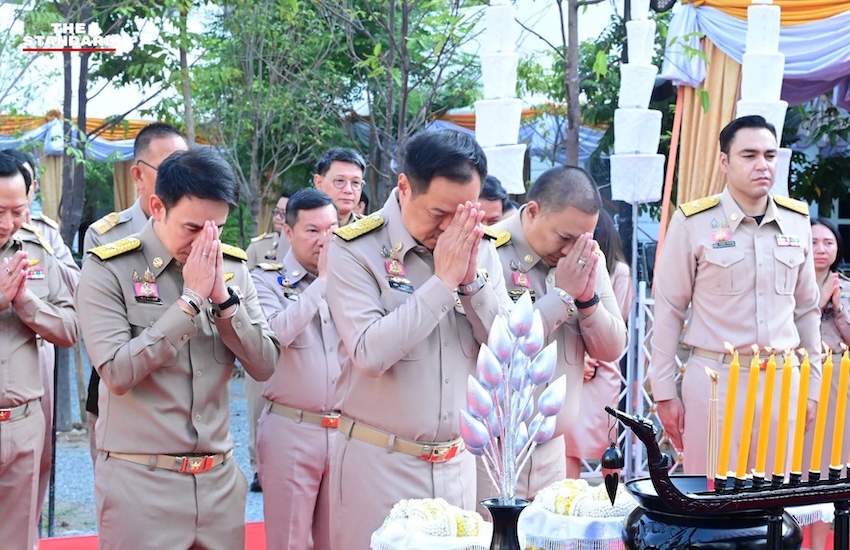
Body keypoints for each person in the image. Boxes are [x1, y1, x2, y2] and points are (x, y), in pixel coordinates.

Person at [75, 148, 280, 549]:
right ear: (157, 207)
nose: (206, 242)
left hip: (218, 482)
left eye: (216, 229)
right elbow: (115, 373)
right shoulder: (109, 267)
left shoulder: (233, 268)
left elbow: (266, 364)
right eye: (192, 228)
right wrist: (188, 303)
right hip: (141, 484)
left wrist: (223, 300)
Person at [326, 129, 512, 550]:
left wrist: (471, 285)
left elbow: (507, 350)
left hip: (458, 464)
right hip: (380, 464)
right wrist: (443, 281)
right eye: (439, 213)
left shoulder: (480, 249)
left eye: (463, 213)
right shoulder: (355, 249)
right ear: (405, 188)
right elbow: (370, 353)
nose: (450, 229)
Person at [650, 115, 820, 477]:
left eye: (770, 155)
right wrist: (664, 391)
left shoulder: (796, 221)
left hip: (782, 378)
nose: (763, 165)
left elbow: (807, 309)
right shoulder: (693, 222)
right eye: (750, 155)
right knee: (712, 496)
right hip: (715, 380)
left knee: (774, 503)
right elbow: (669, 309)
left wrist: (813, 385)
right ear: (724, 162)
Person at [485, 166, 627, 506]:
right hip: (493, 455)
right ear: (532, 211)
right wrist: (562, 295)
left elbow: (612, 348)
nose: (571, 251)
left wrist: (587, 299)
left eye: (582, 240)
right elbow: (503, 342)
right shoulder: (489, 250)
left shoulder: (586, 257)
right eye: (565, 238)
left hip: (553, 451)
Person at [82, 122, 189, 466]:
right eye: (170, 170)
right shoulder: (108, 237)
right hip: (125, 384)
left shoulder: (201, 228)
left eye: (186, 169)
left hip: (188, 384)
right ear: (139, 177)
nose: (181, 179)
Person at [252, 188, 339, 550]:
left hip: (346, 432)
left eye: (332, 229)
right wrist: (321, 283)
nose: (325, 240)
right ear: (288, 232)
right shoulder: (264, 279)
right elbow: (276, 334)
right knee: (289, 541)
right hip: (292, 428)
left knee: (340, 540)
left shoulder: (353, 281)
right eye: (313, 230)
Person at [0, 152, 78, 550]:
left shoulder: (36, 248)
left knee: (18, 538)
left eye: (17, 210)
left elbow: (70, 328)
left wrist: (25, 303)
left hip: (23, 421)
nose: (7, 223)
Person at [564, 209, 634, 478]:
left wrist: (591, 357)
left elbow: (618, 322)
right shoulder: (569, 270)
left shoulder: (619, 272)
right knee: (566, 442)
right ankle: (566, 497)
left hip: (601, 367)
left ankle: (609, 500)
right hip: (572, 361)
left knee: (606, 443)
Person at [804, 218, 849, 549]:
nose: (821, 249)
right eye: (814, 241)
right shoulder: (792, 284)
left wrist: (836, 309)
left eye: (828, 243)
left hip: (838, 382)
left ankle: (820, 544)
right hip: (799, 377)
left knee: (830, 469)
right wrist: (816, 303)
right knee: (797, 466)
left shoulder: (846, 286)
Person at [244, 189, 290, 492]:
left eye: (286, 213)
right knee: (257, 405)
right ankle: (258, 466)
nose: (280, 218)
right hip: (264, 335)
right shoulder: (259, 248)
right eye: (277, 212)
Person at [313, 147, 366, 228]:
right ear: (319, 182)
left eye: (355, 182)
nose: (348, 190)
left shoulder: (371, 232)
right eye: (340, 181)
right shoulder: (299, 227)